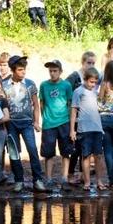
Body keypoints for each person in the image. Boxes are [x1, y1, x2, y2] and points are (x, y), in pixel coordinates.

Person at [3, 55, 47, 192]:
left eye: (24, 69)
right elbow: (2, 105)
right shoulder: (4, 85)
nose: (23, 72)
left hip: (27, 122)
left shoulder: (30, 84)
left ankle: (38, 180)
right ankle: (19, 180)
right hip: (11, 123)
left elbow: (36, 104)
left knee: (32, 150)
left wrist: (36, 121)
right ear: (13, 70)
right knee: (14, 152)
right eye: (20, 70)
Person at [70, 67, 107, 191]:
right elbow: (74, 110)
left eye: (95, 82)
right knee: (85, 156)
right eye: (91, 82)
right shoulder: (78, 91)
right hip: (84, 129)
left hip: (97, 128)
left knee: (98, 156)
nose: (93, 84)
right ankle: (86, 182)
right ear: (84, 79)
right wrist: (72, 130)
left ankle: (99, 181)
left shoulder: (95, 92)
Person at [39, 60, 73, 189]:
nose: (52, 73)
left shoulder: (66, 85)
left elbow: (70, 104)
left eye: (55, 71)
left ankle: (64, 178)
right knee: (48, 153)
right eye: (50, 71)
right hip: (48, 124)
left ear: (60, 71)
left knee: (66, 151)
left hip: (64, 122)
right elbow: (41, 103)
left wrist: (70, 123)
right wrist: (45, 117)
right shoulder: (44, 85)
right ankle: (48, 178)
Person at [65, 51, 96, 185]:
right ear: (82, 62)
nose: (91, 65)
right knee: (75, 147)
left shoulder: (94, 76)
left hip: (88, 117)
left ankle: (83, 174)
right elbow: (65, 90)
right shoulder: (74, 77)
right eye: (88, 63)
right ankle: (70, 173)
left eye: (93, 63)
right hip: (76, 117)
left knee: (86, 147)